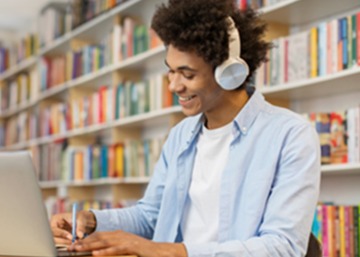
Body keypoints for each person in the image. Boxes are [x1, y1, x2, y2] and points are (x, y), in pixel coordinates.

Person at [51, 0, 321, 256]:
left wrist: (167, 251)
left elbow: (283, 247)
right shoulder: (181, 135)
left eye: (188, 75)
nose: (174, 86)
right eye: (171, 71)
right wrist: (90, 221)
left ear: (229, 71)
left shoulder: (290, 135)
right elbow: (150, 215)